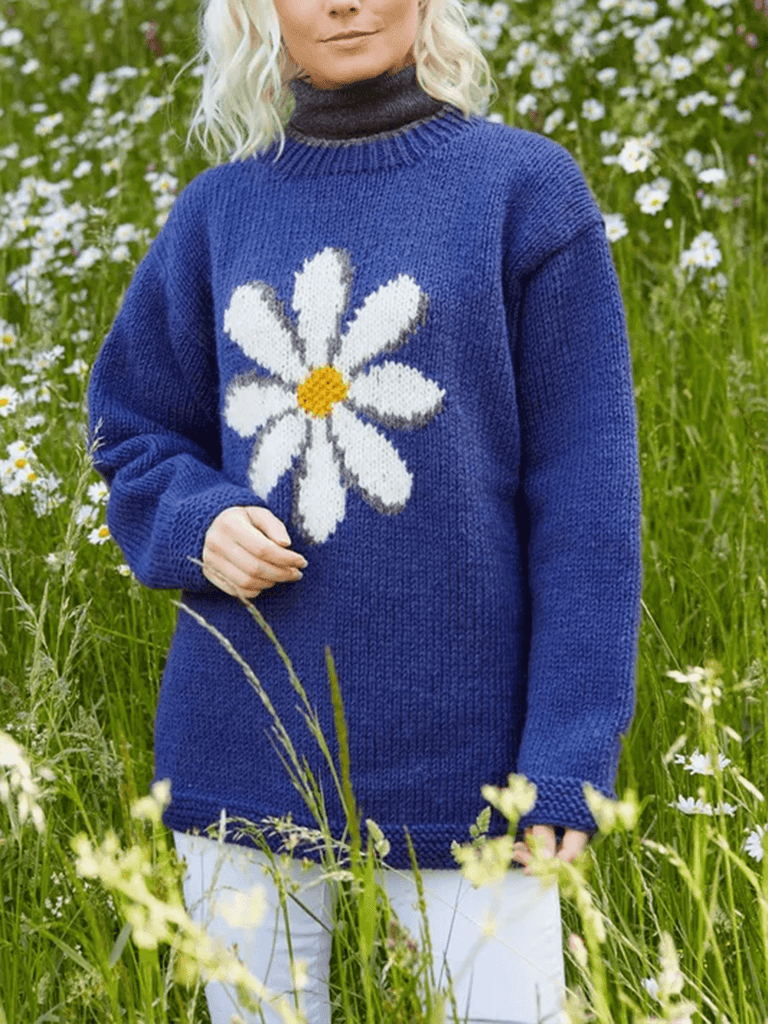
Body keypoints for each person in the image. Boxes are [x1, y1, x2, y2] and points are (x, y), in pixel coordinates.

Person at [86, 0, 643, 1020]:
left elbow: (590, 506)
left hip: (476, 771)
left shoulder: (524, 190)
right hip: (240, 743)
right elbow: (131, 427)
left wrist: (569, 753)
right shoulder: (219, 212)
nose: (343, 4)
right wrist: (193, 519)